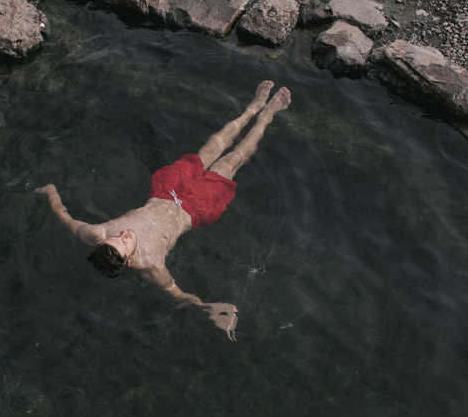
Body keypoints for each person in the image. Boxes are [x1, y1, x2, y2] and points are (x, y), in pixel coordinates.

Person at [35, 80, 292, 340]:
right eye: (126, 242)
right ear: (130, 261)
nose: (124, 233)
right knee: (233, 159)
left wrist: (50, 191)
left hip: (164, 191)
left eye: (118, 235)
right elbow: (177, 293)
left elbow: (65, 218)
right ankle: (268, 115)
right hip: (193, 209)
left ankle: (252, 108)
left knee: (211, 146)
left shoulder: (97, 234)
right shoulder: (151, 267)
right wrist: (211, 311)